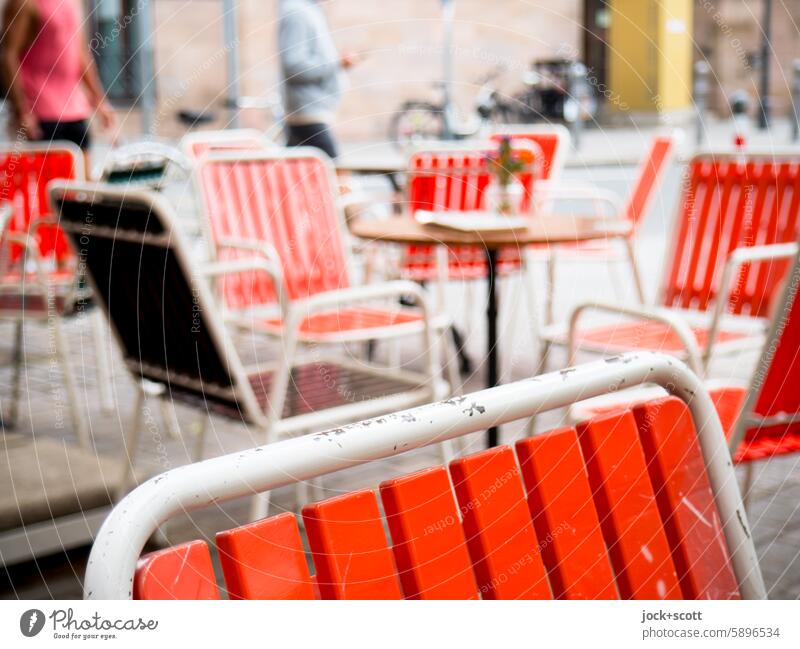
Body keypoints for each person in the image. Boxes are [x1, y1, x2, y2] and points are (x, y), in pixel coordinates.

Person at [1, 0, 115, 151]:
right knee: (49, 174)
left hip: (75, 110)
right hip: (40, 112)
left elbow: (80, 54)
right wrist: (22, 111)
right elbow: (8, 55)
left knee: (81, 172)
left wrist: (100, 101)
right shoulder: (24, 4)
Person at [278, 0, 357, 159]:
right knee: (335, 174)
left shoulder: (309, 10)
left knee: (303, 175)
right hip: (308, 113)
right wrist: (336, 63)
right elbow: (294, 67)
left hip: (314, 112)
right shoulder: (297, 14)